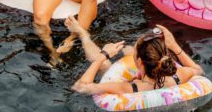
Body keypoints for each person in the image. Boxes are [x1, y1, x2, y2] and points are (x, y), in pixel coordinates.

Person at [71, 22, 203, 95]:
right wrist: (173, 44)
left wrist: (102, 56)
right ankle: (130, 50)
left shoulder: (127, 88)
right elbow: (198, 70)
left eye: (136, 55)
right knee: (128, 51)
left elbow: (80, 87)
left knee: (105, 64)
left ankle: (83, 36)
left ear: (139, 62)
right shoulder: (179, 75)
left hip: (135, 91)